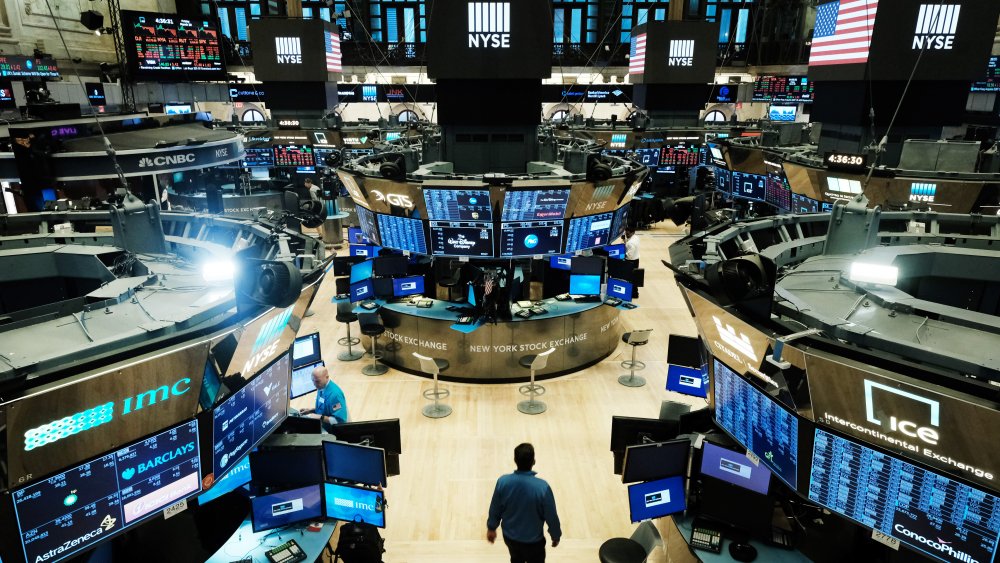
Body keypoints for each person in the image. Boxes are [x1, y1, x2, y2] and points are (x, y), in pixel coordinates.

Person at [486, 443, 561, 563]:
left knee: (515, 559)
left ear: (515, 460)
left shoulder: (503, 482)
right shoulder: (543, 488)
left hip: (510, 539)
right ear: (534, 461)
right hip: (534, 543)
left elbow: (495, 508)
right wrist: (555, 535)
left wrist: (491, 528)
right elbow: (551, 516)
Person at [299, 365, 349, 432]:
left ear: (327, 377)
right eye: (313, 381)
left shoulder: (335, 395)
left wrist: (321, 417)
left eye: (317, 381)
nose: (314, 384)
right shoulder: (321, 387)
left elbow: (339, 421)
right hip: (323, 425)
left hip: (334, 431)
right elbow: (325, 407)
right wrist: (311, 410)